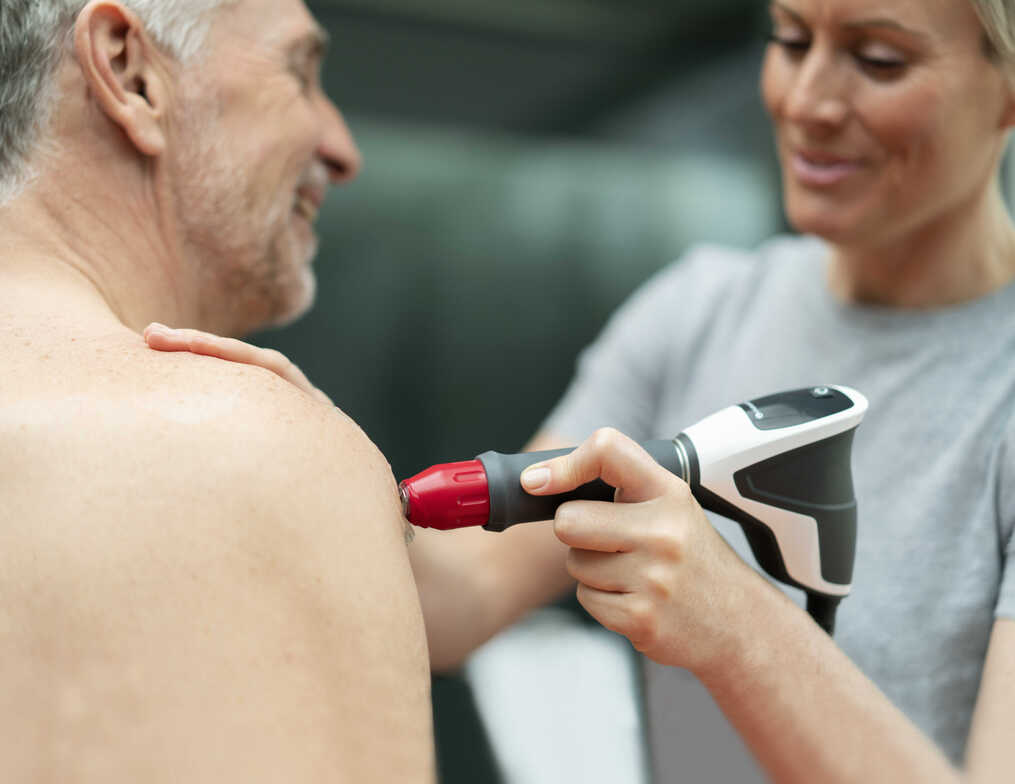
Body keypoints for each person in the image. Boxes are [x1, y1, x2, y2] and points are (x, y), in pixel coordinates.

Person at [148, 0, 1015, 781]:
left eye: (878, 60)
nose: (807, 100)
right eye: (789, 41)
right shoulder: (698, 312)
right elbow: (458, 602)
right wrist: (282, 446)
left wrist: (733, 627)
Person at [0, 1, 434, 781]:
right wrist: (312, 477)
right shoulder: (246, 449)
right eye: (299, 72)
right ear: (130, 71)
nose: (342, 150)